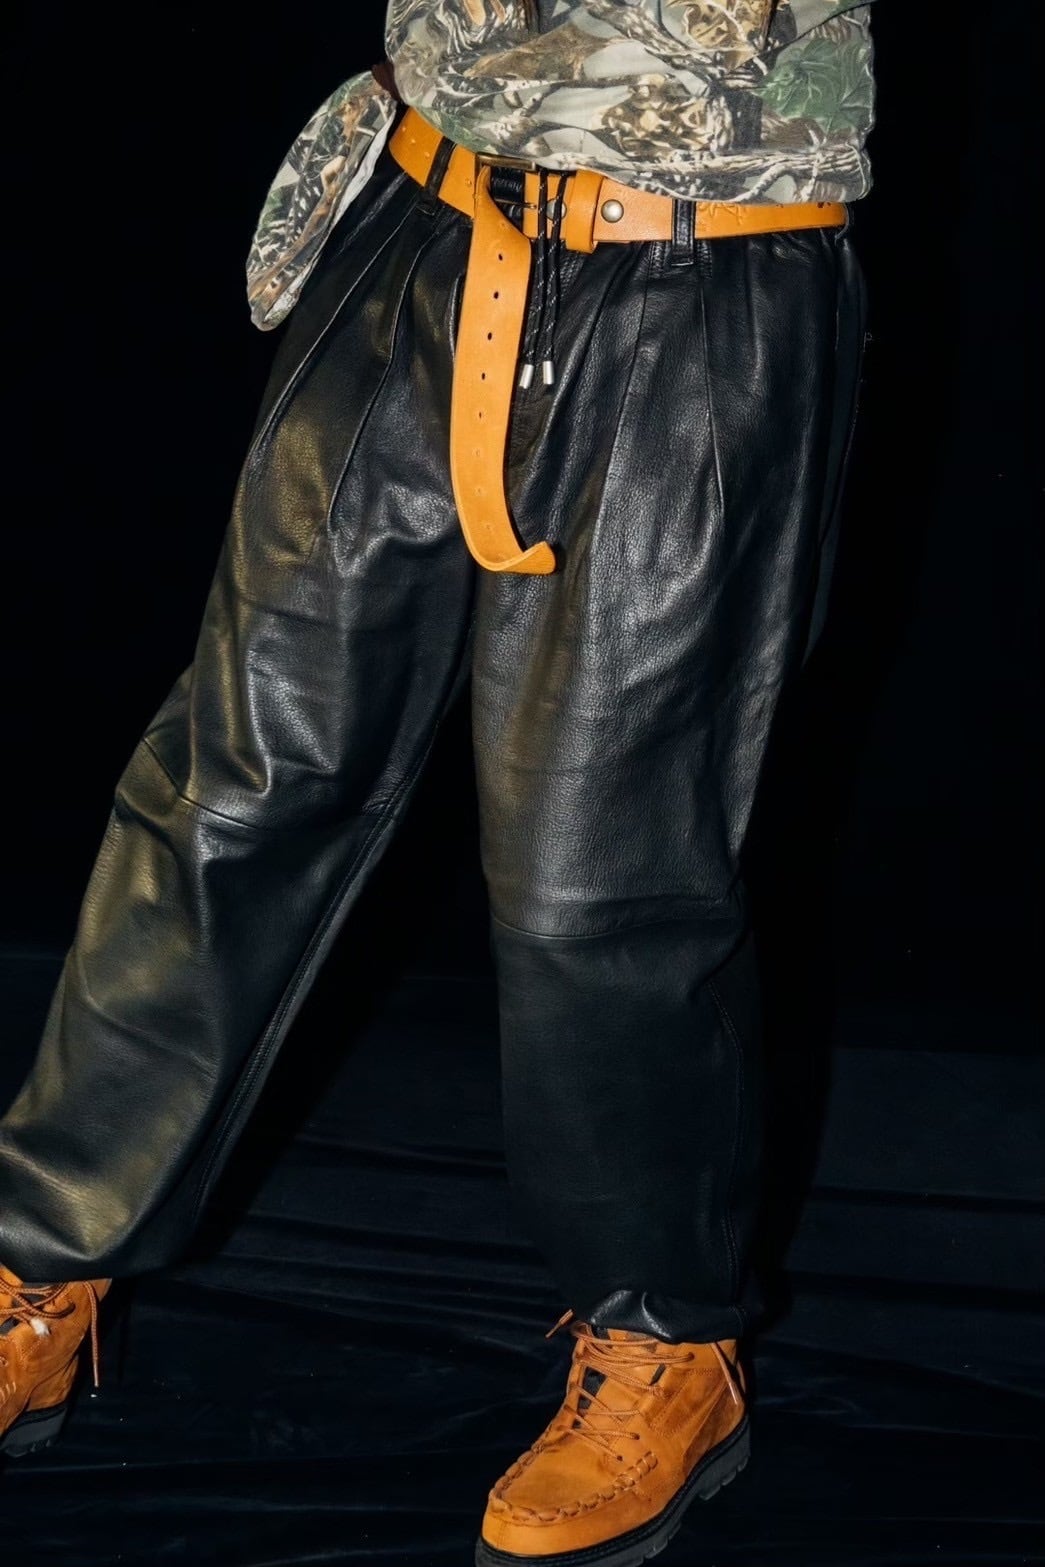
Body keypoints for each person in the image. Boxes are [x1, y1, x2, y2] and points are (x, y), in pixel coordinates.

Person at [0, 3, 875, 1562]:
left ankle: (663, 1345)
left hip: (698, 265)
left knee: (596, 880)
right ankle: (38, 1267)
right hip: (425, 217)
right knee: (231, 789)